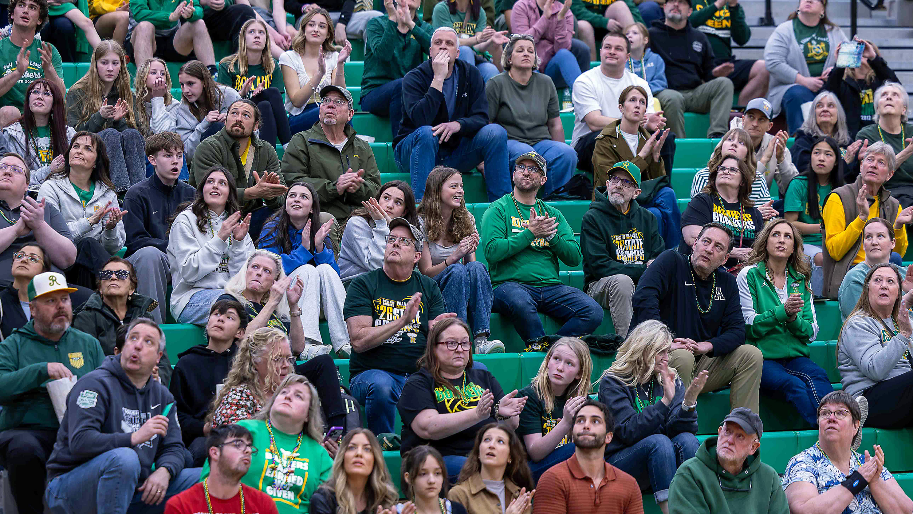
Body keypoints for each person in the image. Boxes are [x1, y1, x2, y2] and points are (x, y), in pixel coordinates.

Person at [44, 319, 200, 514]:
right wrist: (133, 438)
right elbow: (80, 441)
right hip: (69, 488)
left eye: (148, 342)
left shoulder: (162, 396)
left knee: (205, 479)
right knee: (125, 458)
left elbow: (174, 447)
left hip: (134, 487)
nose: (137, 345)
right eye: (132, 338)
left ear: (158, 357)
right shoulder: (93, 385)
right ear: (123, 347)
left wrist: (165, 471)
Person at [0, 271, 104, 514]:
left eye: (65, 300)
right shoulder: (13, 345)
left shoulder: (88, 344)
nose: (61, 306)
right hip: (28, 431)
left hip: (79, 431)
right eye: (51, 301)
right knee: (24, 448)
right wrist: (41, 371)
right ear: (33, 309)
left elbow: (107, 388)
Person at [632, 223, 763, 412]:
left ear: (725, 258)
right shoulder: (671, 261)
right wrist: (664, 343)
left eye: (718, 247)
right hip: (655, 355)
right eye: (706, 242)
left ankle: (743, 429)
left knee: (751, 355)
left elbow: (737, 331)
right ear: (695, 245)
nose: (709, 249)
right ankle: (677, 428)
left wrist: (707, 346)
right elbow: (643, 299)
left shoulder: (726, 282)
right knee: (684, 357)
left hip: (697, 361)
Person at [482, 153, 603, 347]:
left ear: (543, 179)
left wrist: (551, 237)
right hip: (509, 285)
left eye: (533, 169)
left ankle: (551, 347)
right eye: (521, 167)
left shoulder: (552, 214)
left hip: (550, 286)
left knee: (593, 311)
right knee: (520, 301)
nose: (526, 172)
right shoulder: (498, 209)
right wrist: (529, 233)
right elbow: (492, 251)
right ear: (513, 175)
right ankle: (538, 344)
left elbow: (574, 257)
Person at [344, 216, 450, 436]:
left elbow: (435, 330)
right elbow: (359, 340)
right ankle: (383, 442)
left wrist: (443, 331)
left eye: (404, 241)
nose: (395, 243)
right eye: (391, 239)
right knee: (383, 385)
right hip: (370, 375)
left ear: (417, 256)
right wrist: (402, 321)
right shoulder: (363, 284)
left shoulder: (428, 287)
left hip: (416, 374)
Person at [599, 320, 706, 514]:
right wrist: (665, 402)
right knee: (659, 442)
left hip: (660, 462)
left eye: (668, 351)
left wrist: (687, 404)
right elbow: (628, 431)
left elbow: (678, 431)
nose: (666, 358)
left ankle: (693, 508)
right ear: (643, 349)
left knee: (688, 441)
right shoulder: (613, 382)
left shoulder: (669, 378)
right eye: (660, 352)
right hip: (619, 462)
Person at [398, 317, 526, 477]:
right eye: (451, 343)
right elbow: (429, 428)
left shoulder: (483, 377)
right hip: (436, 458)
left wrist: (504, 415)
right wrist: (476, 414)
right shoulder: (418, 383)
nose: (459, 349)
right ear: (433, 348)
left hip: (481, 456)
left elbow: (511, 426)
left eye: (465, 343)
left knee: (520, 468)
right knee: (480, 470)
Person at [395, 27, 509, 202]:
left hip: (454, 152)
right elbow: (420, 120)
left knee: (496, 132)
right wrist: (438, 79)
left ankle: (502, 207)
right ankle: (422, 211)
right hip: (413, 152)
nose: (442, 47)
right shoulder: (414, 77)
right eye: (437, 43)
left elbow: (481, 117)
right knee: (427, 132)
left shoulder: (471, 74)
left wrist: (459, 125)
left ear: (457, 53)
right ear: (430, 50)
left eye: (449, 44)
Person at [737, 219, 833, 426]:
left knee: (819, 376)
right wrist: (782, 312)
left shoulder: (800, 279)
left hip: (796, 357)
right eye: (775, 235)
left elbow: (812, 332)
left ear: (794, 248)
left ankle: (836, 424)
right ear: (765, 242)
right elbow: (748, 326)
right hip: (762, 358)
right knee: (795, 385)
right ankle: (829, 430)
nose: (781, 240)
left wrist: (792, 320)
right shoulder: (749, 275)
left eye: (787, 236)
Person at [202, 374, 334, 514]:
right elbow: (208, 481)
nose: (288, 397)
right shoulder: (244, 431)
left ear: (308, 414)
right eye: (283, 392)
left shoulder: (319, 454)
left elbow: (334, 502)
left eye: (298, 396)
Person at [258, 182, 350, 355]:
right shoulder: (271, 228)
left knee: (324, 269)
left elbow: (334, 276)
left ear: (312, 209)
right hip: (281, 300)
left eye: (303, 197)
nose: (296, 200)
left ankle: (346, 342)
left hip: (317, 302)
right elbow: (267, 270)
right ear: (285, 205)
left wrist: (320, 247)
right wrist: (303, 251)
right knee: (308, 270)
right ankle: (308, 343)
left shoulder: (319, 230)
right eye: (292, 196)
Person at [783, 391, 913, 514]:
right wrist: (858, 480)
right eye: (825, 413)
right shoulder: (803, 462)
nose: (831, 418)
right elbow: (803, 510)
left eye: (840, 413)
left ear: (856, 426)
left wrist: (875, 482)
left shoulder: (869, 466)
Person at [417, 167, 501, 354]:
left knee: (477, 267)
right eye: (453, 186)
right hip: (429, 288)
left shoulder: (466, 218)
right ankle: (456, 338)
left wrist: (469, 250)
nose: (460, 191)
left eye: (461, 187)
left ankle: (480, 340)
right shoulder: (420, 221)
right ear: (437, 190)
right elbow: (426, 272)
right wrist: (455, 257)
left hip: (458, 283)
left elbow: (471, 268)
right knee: (456, 270)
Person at [209, 326, 349, 435]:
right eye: (277, 359)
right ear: (255, 362)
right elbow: (235, 444)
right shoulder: (238, 397)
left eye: (288, 359)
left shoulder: (293, 395)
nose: (286, 365)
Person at [486, 34, 577, 196]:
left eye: (530, 51)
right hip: (510, 143)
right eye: (520, 50)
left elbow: (555, 124)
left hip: (541, 141)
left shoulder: (546, 82)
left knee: (567, 153)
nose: (526, 53)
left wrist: (560, 147)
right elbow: (487, 124)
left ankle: (556, 200)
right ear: (509, 59)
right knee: (527, 154)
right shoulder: (496, 83)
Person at [571, 30, 672, 176]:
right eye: (607, 47)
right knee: (606, 136)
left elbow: (645, 119)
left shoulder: (639, 83)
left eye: (618, 49)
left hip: (630, 138)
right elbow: (594, 122)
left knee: (663, 138)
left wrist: (650, 123)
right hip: (590, 143)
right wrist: (635, 122)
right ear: (601, 52)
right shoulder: (585, 81)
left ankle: (660, 189)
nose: (611, 52)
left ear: (627, 57)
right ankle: (607, 193)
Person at [581, 161, 664, 337]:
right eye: (615, 179)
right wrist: (643, 269)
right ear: (608, 184)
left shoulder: (648, 218)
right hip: (600, 287)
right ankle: (629, 349)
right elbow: (600, 266)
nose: (619, 185)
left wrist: (649, 270)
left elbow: (658, 258)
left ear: (636, 193)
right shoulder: (592, 218)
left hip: (641, 284)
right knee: (623, 282)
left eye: (626, 182)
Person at [280, 85, 381, 228]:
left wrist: (357, 188)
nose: (331, 105)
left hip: (356, 220)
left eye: (339, 102)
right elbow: (292, 182)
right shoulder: (301, 141)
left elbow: (376, 189)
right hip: (316, 218)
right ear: (320, 110)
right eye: (326, 101)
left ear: (350, 114)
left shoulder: (362, 147)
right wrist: (335, 187)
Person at [822, 142, 913, 299]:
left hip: (883, 274)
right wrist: (861, 219)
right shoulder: (838, 198)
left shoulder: (893, 205)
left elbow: (897, 254)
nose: (874, 165)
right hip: (850, 274)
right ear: (861, 166)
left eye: (881, 162)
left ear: (890, 174)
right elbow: (835, 251)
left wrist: (897, 227)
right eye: (869, 160)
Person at [590, 86, 678, 249]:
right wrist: (642, 156)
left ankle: (676, 255)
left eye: (642, 102)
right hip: (615, 199)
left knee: (667, 194)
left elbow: (656, 183)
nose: (637, 105)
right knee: (655, 214)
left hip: (639, 196)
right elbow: (611, 181)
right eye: (632, 100)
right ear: (621, 108)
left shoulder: (646, 137)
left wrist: (657, 160)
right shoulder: (605, 140)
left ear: (645, 110)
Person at [37, 132, 127, 288]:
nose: (79, 151)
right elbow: (48, 236)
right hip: (60, 264)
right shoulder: (50, 187)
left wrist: (110, 230)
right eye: (75, 146)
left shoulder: (108, 194)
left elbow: (114, 249)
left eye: (88, 149)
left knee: (90, 248)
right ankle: (125, 291)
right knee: (88, 244)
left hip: (93, 267)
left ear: (96, 162)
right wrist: (89, 222)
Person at [167, 167, 255, 325]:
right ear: (202, 190)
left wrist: (238, 244)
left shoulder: (237, 225)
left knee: (261, 304)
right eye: (210, 182)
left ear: (229, 195)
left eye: (222, 183)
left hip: (230, 295)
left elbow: (242, 280)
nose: (215, 186)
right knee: (237, 306)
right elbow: (189, 272)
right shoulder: (185, 220)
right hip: (190, 298)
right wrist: (220, 238)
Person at [123, 132, 196, 324]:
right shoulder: (136, 194)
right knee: (150, 255)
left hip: (183, 260)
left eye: (179, 156)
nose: (175, 162)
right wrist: (173, 249)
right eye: (168, 156)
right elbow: (135, 240)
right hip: (149, 259)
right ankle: (153, 329)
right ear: (152, 160)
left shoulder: (192, 194)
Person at [191, 98, 286, 239]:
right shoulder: (209, 147)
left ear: (256, 126)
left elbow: (282, 195)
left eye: (246, 115)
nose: (238, 119)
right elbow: (208, 193)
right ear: (225, 120)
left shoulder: (266, 150)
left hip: (251, 218)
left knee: (287, 215)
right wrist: (252, 193)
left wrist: (270, 194)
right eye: (234, 113)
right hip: (211, 219)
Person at [170, 299, 250, 465]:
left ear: (240, 333)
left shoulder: (246, 364)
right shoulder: (187, 363)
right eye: (216, 314)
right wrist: (204, 428)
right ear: (207, 324)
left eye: (229, 317)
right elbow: (178, 415)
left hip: (244, 432)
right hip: (202, 436)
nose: (220, 319)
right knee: (203, 451)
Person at [531, 400, 644, 514]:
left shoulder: (629, 484)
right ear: (572, 434)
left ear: (608, 437)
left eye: (595, 421)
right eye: (580, 421)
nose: (586, 426)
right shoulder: (552, 479)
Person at [71, 256, 171, 384]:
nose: (113, 277)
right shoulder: (86, 317)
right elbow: (84, 364)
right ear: (100, 288)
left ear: (131, 288)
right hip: (104, 390)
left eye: (121, 274)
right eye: (106, 274)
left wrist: (156, 378)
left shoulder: (144, 317)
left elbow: (163, 364)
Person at [667, 407, 788, 513]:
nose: (729, 440)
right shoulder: (690, 474)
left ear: (753, 447)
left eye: (740, 436)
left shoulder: (769, 478)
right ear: (719, 433)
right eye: (727, 432)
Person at [838, 263, 913, 428]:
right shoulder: (858, 323)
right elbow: (875, 370)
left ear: (898, 292)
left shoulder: (901, 321)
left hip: (901, 397)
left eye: (890, 282)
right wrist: (903, 336)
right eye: (877, 280)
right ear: (867, 289)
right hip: (868, 400)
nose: (884, 285)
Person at [64, 40, 146, 192]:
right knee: (110, 134)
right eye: (104, 63)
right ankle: (119, 190)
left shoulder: (128, 95)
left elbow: (139, 136)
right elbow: (73, 134)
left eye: (115, 63)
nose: (110, 68)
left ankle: (139, 191)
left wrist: (118, 121)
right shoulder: (77, 92)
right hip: (88, 152)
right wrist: (99, 117)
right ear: (95, 64)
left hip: (121, 159)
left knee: (131, 133)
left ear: (121, 66)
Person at [649, 0, 735, 139]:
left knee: (724, 83)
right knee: (673, 97)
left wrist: (716, 73)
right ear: (664, 7)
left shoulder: (699, 37)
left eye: (682, 2)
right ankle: (679, 145)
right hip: (665, 93)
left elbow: (708, 73)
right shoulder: (650, 36)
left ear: (690, 11)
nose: (676, 4)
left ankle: (717, 136)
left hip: (694, 93)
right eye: (672, 1)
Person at [763, 0, 849, 135]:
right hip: (790, 88)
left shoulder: (835, 32)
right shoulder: (784, 30)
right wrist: (803, 81)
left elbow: (849, 59)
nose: (808, 0)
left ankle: (846, 141)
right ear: (799, 5)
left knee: (849, 90)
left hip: (829, 87)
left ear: (823, 10)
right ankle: (803, 143)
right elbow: (773, 62)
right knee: (799, 94)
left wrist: (835, 70)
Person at [517, 337, 592, 480]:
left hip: (565, 468)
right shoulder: (529, 397)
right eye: (556, 359)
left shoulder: (581, 401)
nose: (560, 368)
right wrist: (566, 423)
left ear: (579, 374)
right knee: (576, 450)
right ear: (547, 361)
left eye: (569, 363)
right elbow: (535, 453)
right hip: (529, 471)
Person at [163, 424, 280, 514]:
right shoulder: (181, 506)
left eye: (249, 446)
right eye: (238, 444)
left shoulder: (264, 504)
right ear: (215, 453)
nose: (248, 450)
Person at [0, 152, 76, 288]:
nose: (7, 172)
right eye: (2, 167)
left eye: (16, 169)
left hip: (49, 291)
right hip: (4, 292)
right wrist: (16, 230)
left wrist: (39, 226)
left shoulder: (45, 209)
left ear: (27, 185)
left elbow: (68, 259)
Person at [360, 0, 433, 140]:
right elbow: (384, 55)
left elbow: (437, 52)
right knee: (402, 85)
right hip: (375, 93)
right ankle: (401, 146)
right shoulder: (376, 24)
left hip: (410, 93)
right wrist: (393, 20)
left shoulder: (423, 27)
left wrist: (411, 25)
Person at [680, 155, 765, 271]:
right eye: (722, 168)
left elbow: (762, 248)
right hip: (706, 266)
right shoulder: (703, 201)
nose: (726, 172)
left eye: (733, 170)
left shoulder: (754, 213)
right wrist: (732, 252)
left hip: (745, 271)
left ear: (743, 181)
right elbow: (692, 237)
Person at [217, 19, 292, 147]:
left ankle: (267, 158)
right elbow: (223, 104)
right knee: (271, 94)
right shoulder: (227, 65)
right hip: (236, 112)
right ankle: (288, 146)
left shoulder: (273, 66)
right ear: (243, 39)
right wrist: (242, 93)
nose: (257, 35)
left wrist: (261, 94)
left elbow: (278, 103)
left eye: (261, 33)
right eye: (252, 32)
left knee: (266, 105)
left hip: (260, 113)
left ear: (266, 40)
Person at [784, 135, 844, 291]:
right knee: (821, 258)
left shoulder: (843, 188)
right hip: (805, 243)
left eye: (828, 154)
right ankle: (819, 298)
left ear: (836, 161)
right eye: (816, 153)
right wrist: (822, 228)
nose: (821, 158)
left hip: (835, 243)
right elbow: (790, 224)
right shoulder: (798, 184)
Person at [219, 250, 308, 353]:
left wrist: (293, 305)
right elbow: (243, 341)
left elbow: (298, 348)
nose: (259, 273)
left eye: (267, 271)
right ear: (246, 271)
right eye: (255, 267)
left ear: (274, 281)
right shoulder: (229, 301)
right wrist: (272, 302)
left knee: (323, 361)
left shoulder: (276, 312)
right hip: (247, 365)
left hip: (282, 365)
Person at [279, 7, 351, 134]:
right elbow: (297, 101)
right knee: (333, 112)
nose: (316, 29)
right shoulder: (289, 57)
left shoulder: (333, 57)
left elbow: (341, 94)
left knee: (342, 111)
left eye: (322, 26)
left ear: (328, 33)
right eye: (311, 25)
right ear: (304, 29)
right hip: (300, 117)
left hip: (329, 112)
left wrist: (340, 64)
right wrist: (320, 74)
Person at [689, 0, 768, 106]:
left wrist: (733, 7)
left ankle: (742, 116)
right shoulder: (691, 2)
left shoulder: (732, 6)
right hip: (697, 65)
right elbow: (687, 22)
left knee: (764, 69)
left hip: (724, 63)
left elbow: (742, 39)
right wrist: (717, 5)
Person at [338, 181, 419, 282]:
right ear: (377, 200)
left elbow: (411, 266)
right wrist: (381, 225)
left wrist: (391, 225)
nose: (389, 205)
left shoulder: (405, 230)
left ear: (404, 212)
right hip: (355, 283)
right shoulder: (357, 223)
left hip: (389, 285)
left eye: (398, 202)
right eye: (386, 198)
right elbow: (375, 265)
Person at [0, 0, 65, 125]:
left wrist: (48, 69)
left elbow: (61, 97)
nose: (25, 10)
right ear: (12, 14)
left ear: (40, 19)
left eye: (32, 8)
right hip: (7, 121)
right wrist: (17, 73)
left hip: (40, 117)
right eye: (21, 5)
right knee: (9, 112)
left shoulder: (48, 51)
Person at [0, 79, 73, 187]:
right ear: (28, 100)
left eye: (47, 93)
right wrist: (49, 170)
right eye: (35, 92)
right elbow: (14, 176)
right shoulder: (11, 134)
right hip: (25, 195)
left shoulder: (68, 134)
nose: (39, 97)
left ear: (54, 103)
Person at [309, 428, 400, 514]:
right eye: (352, 448)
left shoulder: (383, 499)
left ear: (375, 460)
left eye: (367, 449)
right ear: (342, 457)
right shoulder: (323, 499)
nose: (359, 453)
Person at [838, 218, 912, 321]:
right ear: (863, 245)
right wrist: (906, 296)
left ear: (893, 243)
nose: (874, 242)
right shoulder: (855, 278)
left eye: (880, 236)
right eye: (868, 237)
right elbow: (863, 324)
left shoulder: (905, 275)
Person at [824, 38, 899, 140]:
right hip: (848, 138)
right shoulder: (842, 81)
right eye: (858, 50)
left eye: (865, 50)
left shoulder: (881, 80)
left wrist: (874, 58)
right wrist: (840, 64)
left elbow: (896, 87)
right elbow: (827, 94)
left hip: (878, 137)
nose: (862, 54)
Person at [448, 424, 535, 509]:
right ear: (478, 452)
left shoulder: (519, 495)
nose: (491, 445)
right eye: (487, 440)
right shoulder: (459, 494)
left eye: (500, 441)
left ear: (510, 456)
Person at [854, 83, 913, 206]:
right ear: (877, 107)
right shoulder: (866, 135)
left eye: (895, 95)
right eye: (884, 95)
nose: (889, 97)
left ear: (904, 109)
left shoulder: (911, 131)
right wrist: (909, 151)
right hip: (882, 192)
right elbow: (876, 174)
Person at [511, 0, 588, 92]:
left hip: (550, 66)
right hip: (528, 64)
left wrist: (560, 18)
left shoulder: (564, 11)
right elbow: (523, 43)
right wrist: (545, 18)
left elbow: (562, 48)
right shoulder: (522, 6)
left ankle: (584, 97)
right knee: (530, 70)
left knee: (564, 54)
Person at [174, 60, 242, 162]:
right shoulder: (183, 109)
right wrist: (204, 124)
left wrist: (231, 121)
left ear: (204, 82)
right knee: (216, 127)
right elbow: (186, 154)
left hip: (237, 156)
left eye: (190, 84)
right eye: (182, 85)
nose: (185, 90)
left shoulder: (229, 95)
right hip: (203, 163)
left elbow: (253, 132)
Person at [689, 127, 772, 205]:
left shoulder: (758, 179)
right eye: (730, 139)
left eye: (741, 143)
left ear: (747, 155)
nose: (734, 144)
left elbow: (768, 216)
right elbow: (697, 213)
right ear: (721, 147)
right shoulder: (703, 175)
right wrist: (755, 214)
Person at [127, 0, 216, 71]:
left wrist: (191, 13)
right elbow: (139, 13)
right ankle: (144, 80)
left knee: (199, 23)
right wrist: (169, 16)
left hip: (173, 42)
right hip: (144, 41)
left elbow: (197, 8)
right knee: (145, 26)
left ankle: (212, 75)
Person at [736, 97, 799, 198]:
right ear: (743, 119)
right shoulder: (729, 143)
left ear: (770, 126)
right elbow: (738, 190)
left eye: (761, 119)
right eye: (751, 117)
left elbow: (794, 189)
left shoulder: (776, 146)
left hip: (762, 207)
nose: (755, 124)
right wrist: (764, 160)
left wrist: (781, 160)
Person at [431, 0, 504, 83]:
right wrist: (476, 39)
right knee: (465, 50)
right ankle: (465, 93)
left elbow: (477, 46)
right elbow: (449, 42)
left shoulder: (479, 11)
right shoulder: (442, 9)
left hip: (474, 58)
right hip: (447, 59)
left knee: (490, 70)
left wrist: (491, 41)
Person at [789, 90, 854, 174]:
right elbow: (807, 174)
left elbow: (853, 177)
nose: (825, 109)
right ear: (813, 114)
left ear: (839, 114)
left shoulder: (847, 142)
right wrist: (844, 164)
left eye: (830, 106)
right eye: (820, 106)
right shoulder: (803, 142)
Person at [572, 0, 650, 61]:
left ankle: (635, 61)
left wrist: (641, 30)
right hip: (587, 23)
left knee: (620, 6)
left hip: (612, 21)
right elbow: (577, 11)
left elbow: (631, 8)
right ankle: (592, 71)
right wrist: (604, 22)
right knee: (583, 26)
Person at [0, 243, 50, 337]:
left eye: (33, 259)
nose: (24, 260)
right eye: (19, 256)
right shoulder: (1, 302)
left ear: (43, 271)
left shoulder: (51, 304)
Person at [401, 446, 469, 514]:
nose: (431, 480)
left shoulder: (457, 510)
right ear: (408, 478)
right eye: (423, 474)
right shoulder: (401, 512)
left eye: (437, 473)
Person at [286, 0, 383, 42]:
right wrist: (305, 7)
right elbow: (287, 3)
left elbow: (349, 1)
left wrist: (342, 23)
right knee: (314, 21)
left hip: (337, 17)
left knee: (376, 18)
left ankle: (374, 75)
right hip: (309, 16)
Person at [132, 58, 181, 139]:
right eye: (153, 72)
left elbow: (163, 135)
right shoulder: (133, 102)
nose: (159, 76)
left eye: (162, 74)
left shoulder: (173, 105)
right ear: (143, 77)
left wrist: (158, 98)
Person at [624, 23, 666, 97]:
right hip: (628, 96)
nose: (629, 36)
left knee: (671, 96)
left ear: (645, 40)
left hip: (653, 93)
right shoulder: (621, 61)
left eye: (635, 33)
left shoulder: (656, 59)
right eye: (627, 34)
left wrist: (644, 90)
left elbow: (660, 82)